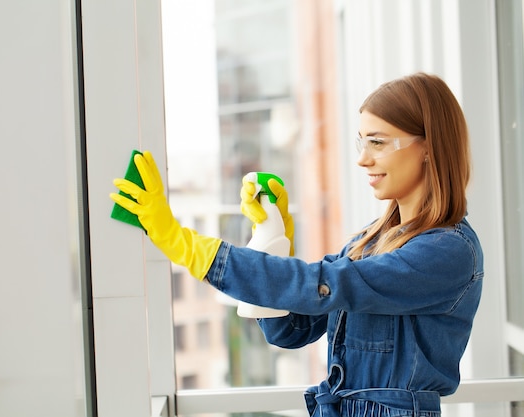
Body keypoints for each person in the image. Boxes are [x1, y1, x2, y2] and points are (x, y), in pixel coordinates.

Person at [110, 72, 483, 417]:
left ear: (429, 147)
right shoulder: (369, 242)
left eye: (378, 142)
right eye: (361, 141)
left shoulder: (447, 252)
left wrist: (189, 247)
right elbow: (291, 330)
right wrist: (273, 240)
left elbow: (327, 286)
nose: (362, 158)